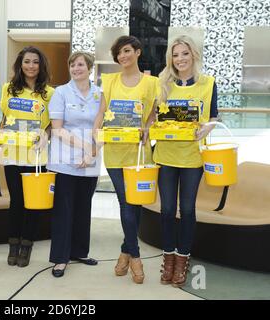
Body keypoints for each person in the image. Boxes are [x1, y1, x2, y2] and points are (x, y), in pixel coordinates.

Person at [93, 35, 159, 284]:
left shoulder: (151, 83)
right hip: (114, 152)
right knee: (125, 201)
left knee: (135, 204)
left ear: (138, 52)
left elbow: (153, 115)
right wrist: (95, 136)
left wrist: (148, 128)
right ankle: (137, 256)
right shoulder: (108, 81)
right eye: (119, 53)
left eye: (127, 51)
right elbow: (101, 113)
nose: (123, 56)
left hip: (140, 153)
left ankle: (125, 251)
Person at [154, 35, 218, 287]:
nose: (180, 59)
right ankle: (168, 258)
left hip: (192, 157)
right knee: (167, 209)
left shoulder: (208, 83)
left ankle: (182, 258)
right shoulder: (162, 84)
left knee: (188, 209)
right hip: (166, 156)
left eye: (184, 54)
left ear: (194, 55)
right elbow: (153, 118)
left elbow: (213, 116)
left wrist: (207, 129)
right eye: (175, 54)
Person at [0, 46, 54, 267]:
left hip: (36, 157)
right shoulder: (8, 89)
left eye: (35, 62)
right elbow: (4, 118)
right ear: (20, 65)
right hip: (12, 154)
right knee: (16, 202)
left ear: (41, 66)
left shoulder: (49, 93)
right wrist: (1, 134)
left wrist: (45, 137)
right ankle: (13, 244)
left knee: (33, 203)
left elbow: (50, 124)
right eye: (27, 61)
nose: (31, 66)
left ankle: (27, 245)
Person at [47, 52, 101, 278]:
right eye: (72, 64)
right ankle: (60, 258)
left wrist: (93, 152)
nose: (76, 68)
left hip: (90, 160)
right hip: (64, 159)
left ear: (90, 68)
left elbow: (100, 126)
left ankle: (79, 251)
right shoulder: (60, 92)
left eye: (80, 64)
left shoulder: (99, 94)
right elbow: (57, 128)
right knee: (64, 210)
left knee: (83, 207)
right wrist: (85, 147)